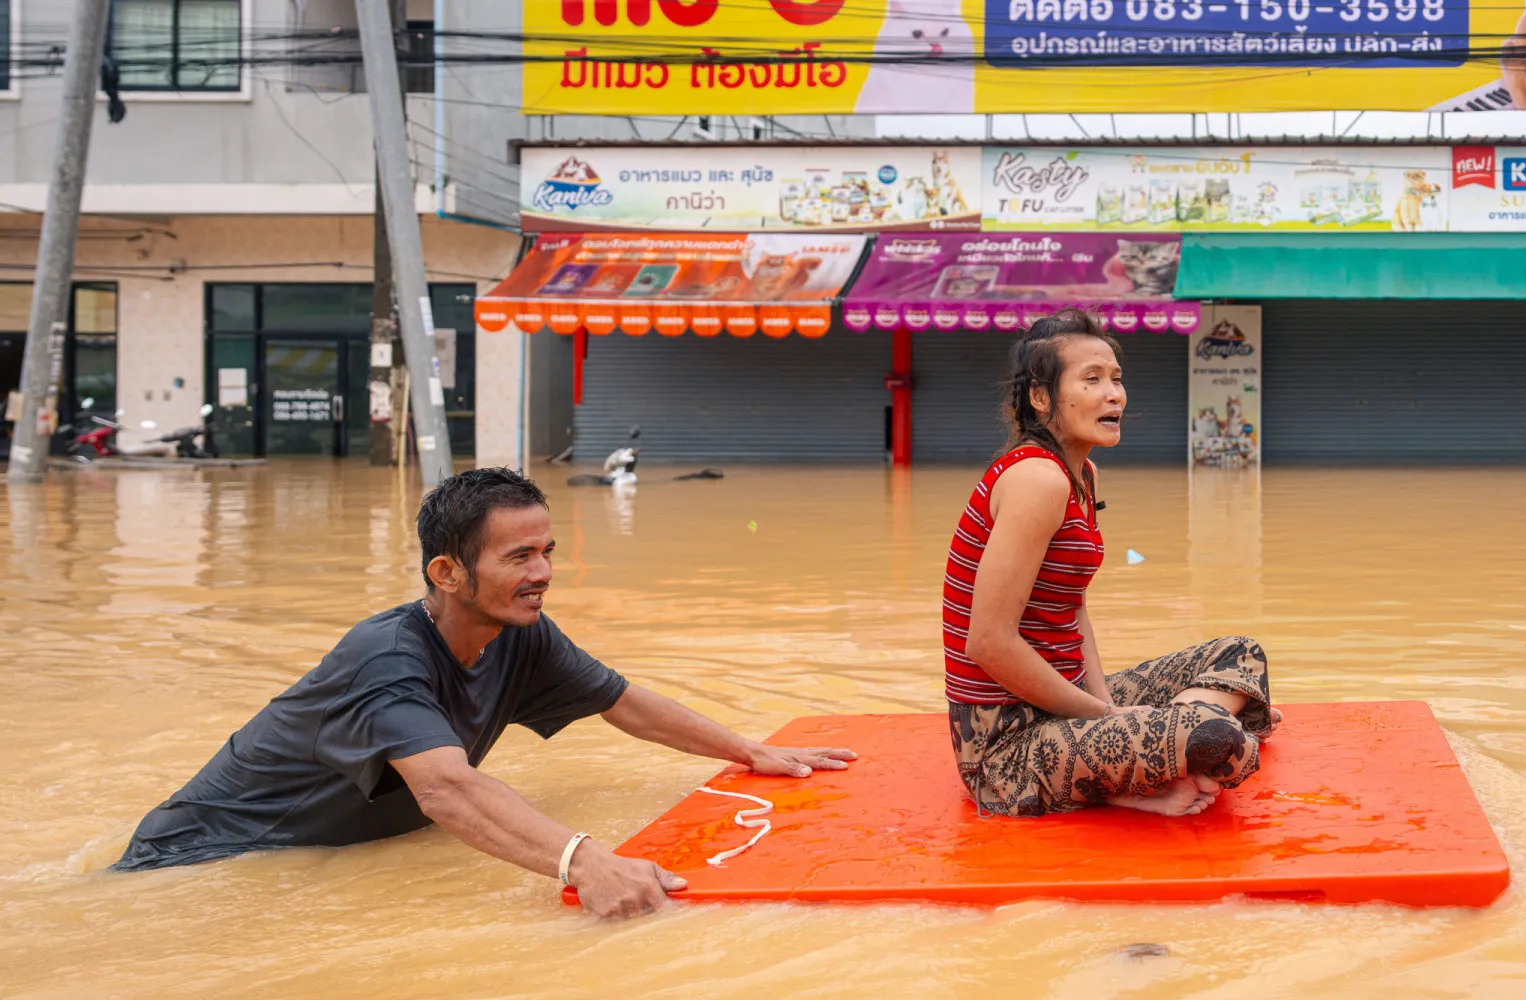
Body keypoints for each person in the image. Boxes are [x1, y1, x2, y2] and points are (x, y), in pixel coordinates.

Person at [115, 468, 854, 918]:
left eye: (548, 552)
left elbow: (623, 703)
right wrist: (585, 860)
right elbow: (446, 791)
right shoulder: (385, 658)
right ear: (447, 572)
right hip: (202, 862)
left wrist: (747, 749)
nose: (543, 573)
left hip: (308, 856)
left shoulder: (520, 632)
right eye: (519, 556)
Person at [941, 308, 1281, 818]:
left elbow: (1074, 611)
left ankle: (1150, 763)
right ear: (1041, 397)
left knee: (1241, 654)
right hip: (1006, 750)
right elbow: (988, 641)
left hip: (1063, 701)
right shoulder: (1037, 480)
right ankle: (1158, 761)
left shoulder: (1082, 475)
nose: (1114, 395)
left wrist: (1107, 713)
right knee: (1217, 738)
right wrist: (1107, 716)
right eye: (1092, 379)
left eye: (1117, 380)